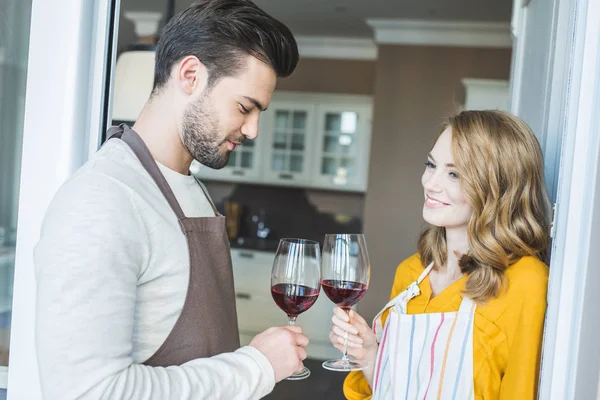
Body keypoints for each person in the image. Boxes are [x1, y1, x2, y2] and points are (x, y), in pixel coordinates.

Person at [34, 1, 307, 399]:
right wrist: (256, 365)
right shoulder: (102, 201)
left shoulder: (191, 189)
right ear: (191, 75)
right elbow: (87, 392)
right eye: (245, 108)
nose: (252, 131)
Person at [329, 110, 551, 399]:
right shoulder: (411, 274)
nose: (430, 183)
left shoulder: (525, 282)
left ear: (498, 187)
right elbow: (392, 391)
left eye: (454, 173)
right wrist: (370, 354)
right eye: (431, 165)